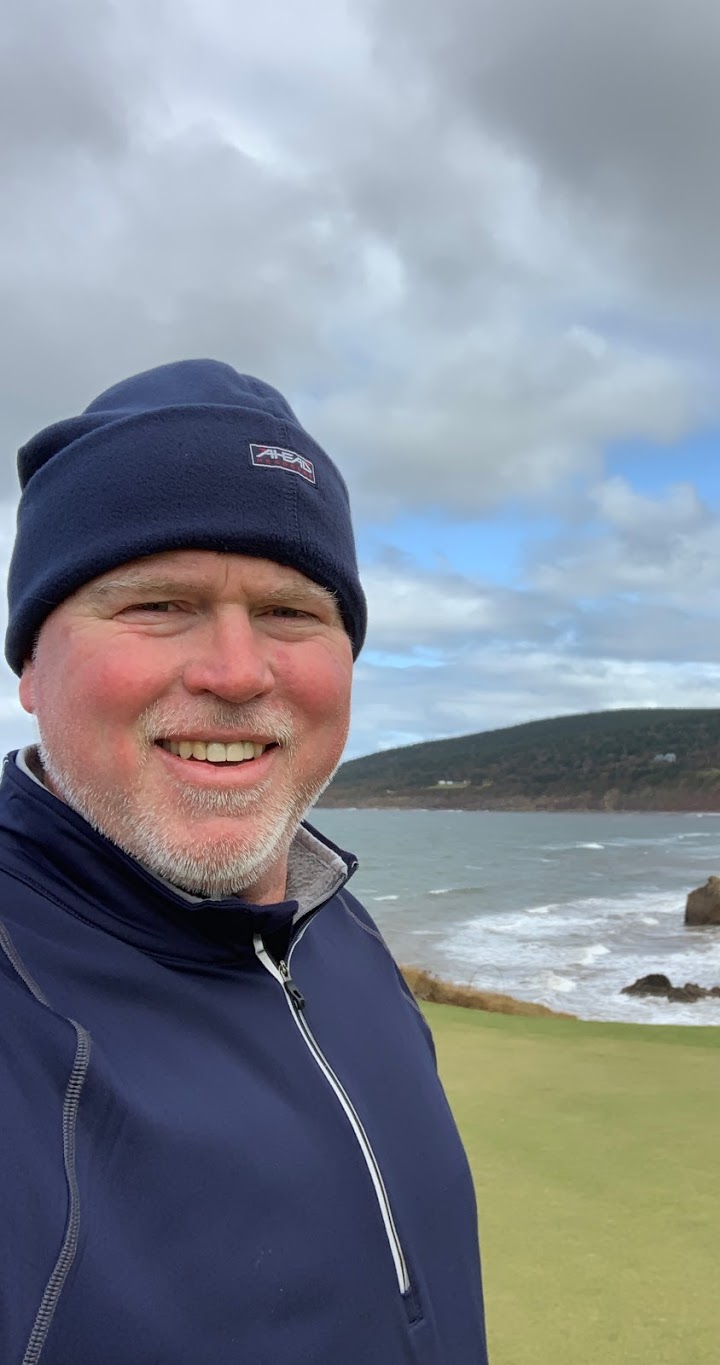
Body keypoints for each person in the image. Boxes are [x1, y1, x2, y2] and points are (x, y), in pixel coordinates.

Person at [0, 360, 489, 1364]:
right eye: (157, 604)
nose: (235, 672)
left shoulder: (339, 925)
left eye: (290, 611)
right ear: (30, 666)